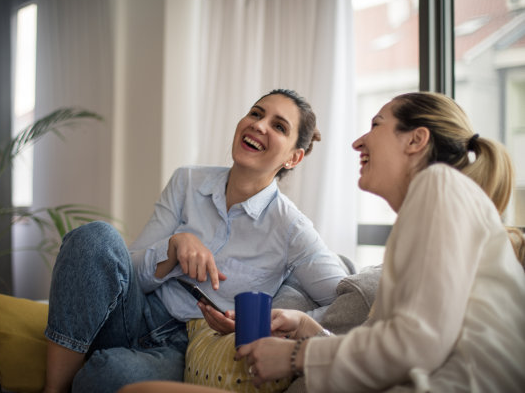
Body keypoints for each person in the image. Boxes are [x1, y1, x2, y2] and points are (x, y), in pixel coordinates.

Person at [118, 91, 525, 393]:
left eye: (376, 124)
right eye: (256, 114)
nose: (358, 142)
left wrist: (296, 356)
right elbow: (398, 344)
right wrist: (306, 327)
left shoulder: (439, 187)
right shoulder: (429, 209)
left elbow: (415, 346)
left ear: (415, 140)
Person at [43, 89, 349, 393]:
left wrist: (288, 322)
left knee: (106, 376)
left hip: (187, 346)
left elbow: (349, 303)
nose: (259, 125)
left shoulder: (292, 228)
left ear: (293, 158)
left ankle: (93, 361)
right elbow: (128, 271)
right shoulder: (186, 181)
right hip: (140, 311)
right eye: (256, 113)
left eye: (279, 126)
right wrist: (174, 246)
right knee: (95, 236)